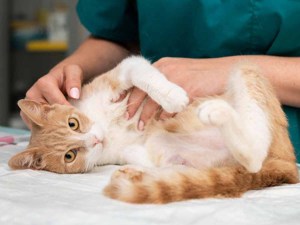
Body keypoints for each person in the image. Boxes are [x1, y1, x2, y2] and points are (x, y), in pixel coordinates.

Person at [23, 0, 300, 161]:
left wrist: (226, 72)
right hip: (165, 142)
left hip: (280, 145)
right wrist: (70, 70)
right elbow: (118, 33)